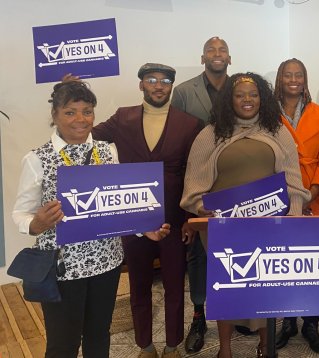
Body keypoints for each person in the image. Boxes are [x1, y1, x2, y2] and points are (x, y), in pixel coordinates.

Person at [12, 81, 169, 357]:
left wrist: (146, 230)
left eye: (87, 111)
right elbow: (19, 213)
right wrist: (35, 224)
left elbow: (118, 204)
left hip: (105, 262)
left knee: (99, 336)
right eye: (70, 112)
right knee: (63, 343)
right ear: (55, 115)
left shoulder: (108, 151)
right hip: (63, 267)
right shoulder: (37, 159)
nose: (80, 119)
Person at [180, 72, 310, 358]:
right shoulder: (211, 133)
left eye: (253, 94)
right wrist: (201, 207)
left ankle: (265, 345)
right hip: (222, 228)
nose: (247, 100)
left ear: (262, 98)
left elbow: (293, 180)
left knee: (265, 288)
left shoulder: (278, 131)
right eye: (240, 95)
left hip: (267, 227)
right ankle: (224, 350)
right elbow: (193, 185)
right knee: (228, 289)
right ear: (230, 99)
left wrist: (294, 216)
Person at [92, 63, 201, 358]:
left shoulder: (189, 124)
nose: (158, 85)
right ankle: (145, 345)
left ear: (171, 86)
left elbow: (196, 174)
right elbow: (85, 138)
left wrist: (192, 219)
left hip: (175, 219)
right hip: (134, 218)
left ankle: (172, 345)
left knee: (175, 286)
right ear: (141, 84)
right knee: (138, 284)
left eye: (165, 81)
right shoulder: (121, 118)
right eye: (151, 80)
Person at [170, 36, 232, 353]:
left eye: (222, 50)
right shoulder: (183, 92)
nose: (217, 54)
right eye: (211, 49)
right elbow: (178, 141)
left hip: (236, 184)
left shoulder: (242, 89)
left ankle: (236, 316)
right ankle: (198, 315)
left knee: (237, 252)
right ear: (203, 57)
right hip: (200, 185)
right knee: (199, 253)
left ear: (230, 57)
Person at [273, 58, 319, 355]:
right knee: (284, 263)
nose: (293, 79)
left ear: (305, 79)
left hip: (314, 200)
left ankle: (310, 323)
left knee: (311, 264)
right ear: (280, 79)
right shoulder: (267, 113)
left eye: (299, 75)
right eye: (288, 75)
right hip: (280, 199)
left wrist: (313, 191)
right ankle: (288, 323)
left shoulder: (318, 113)